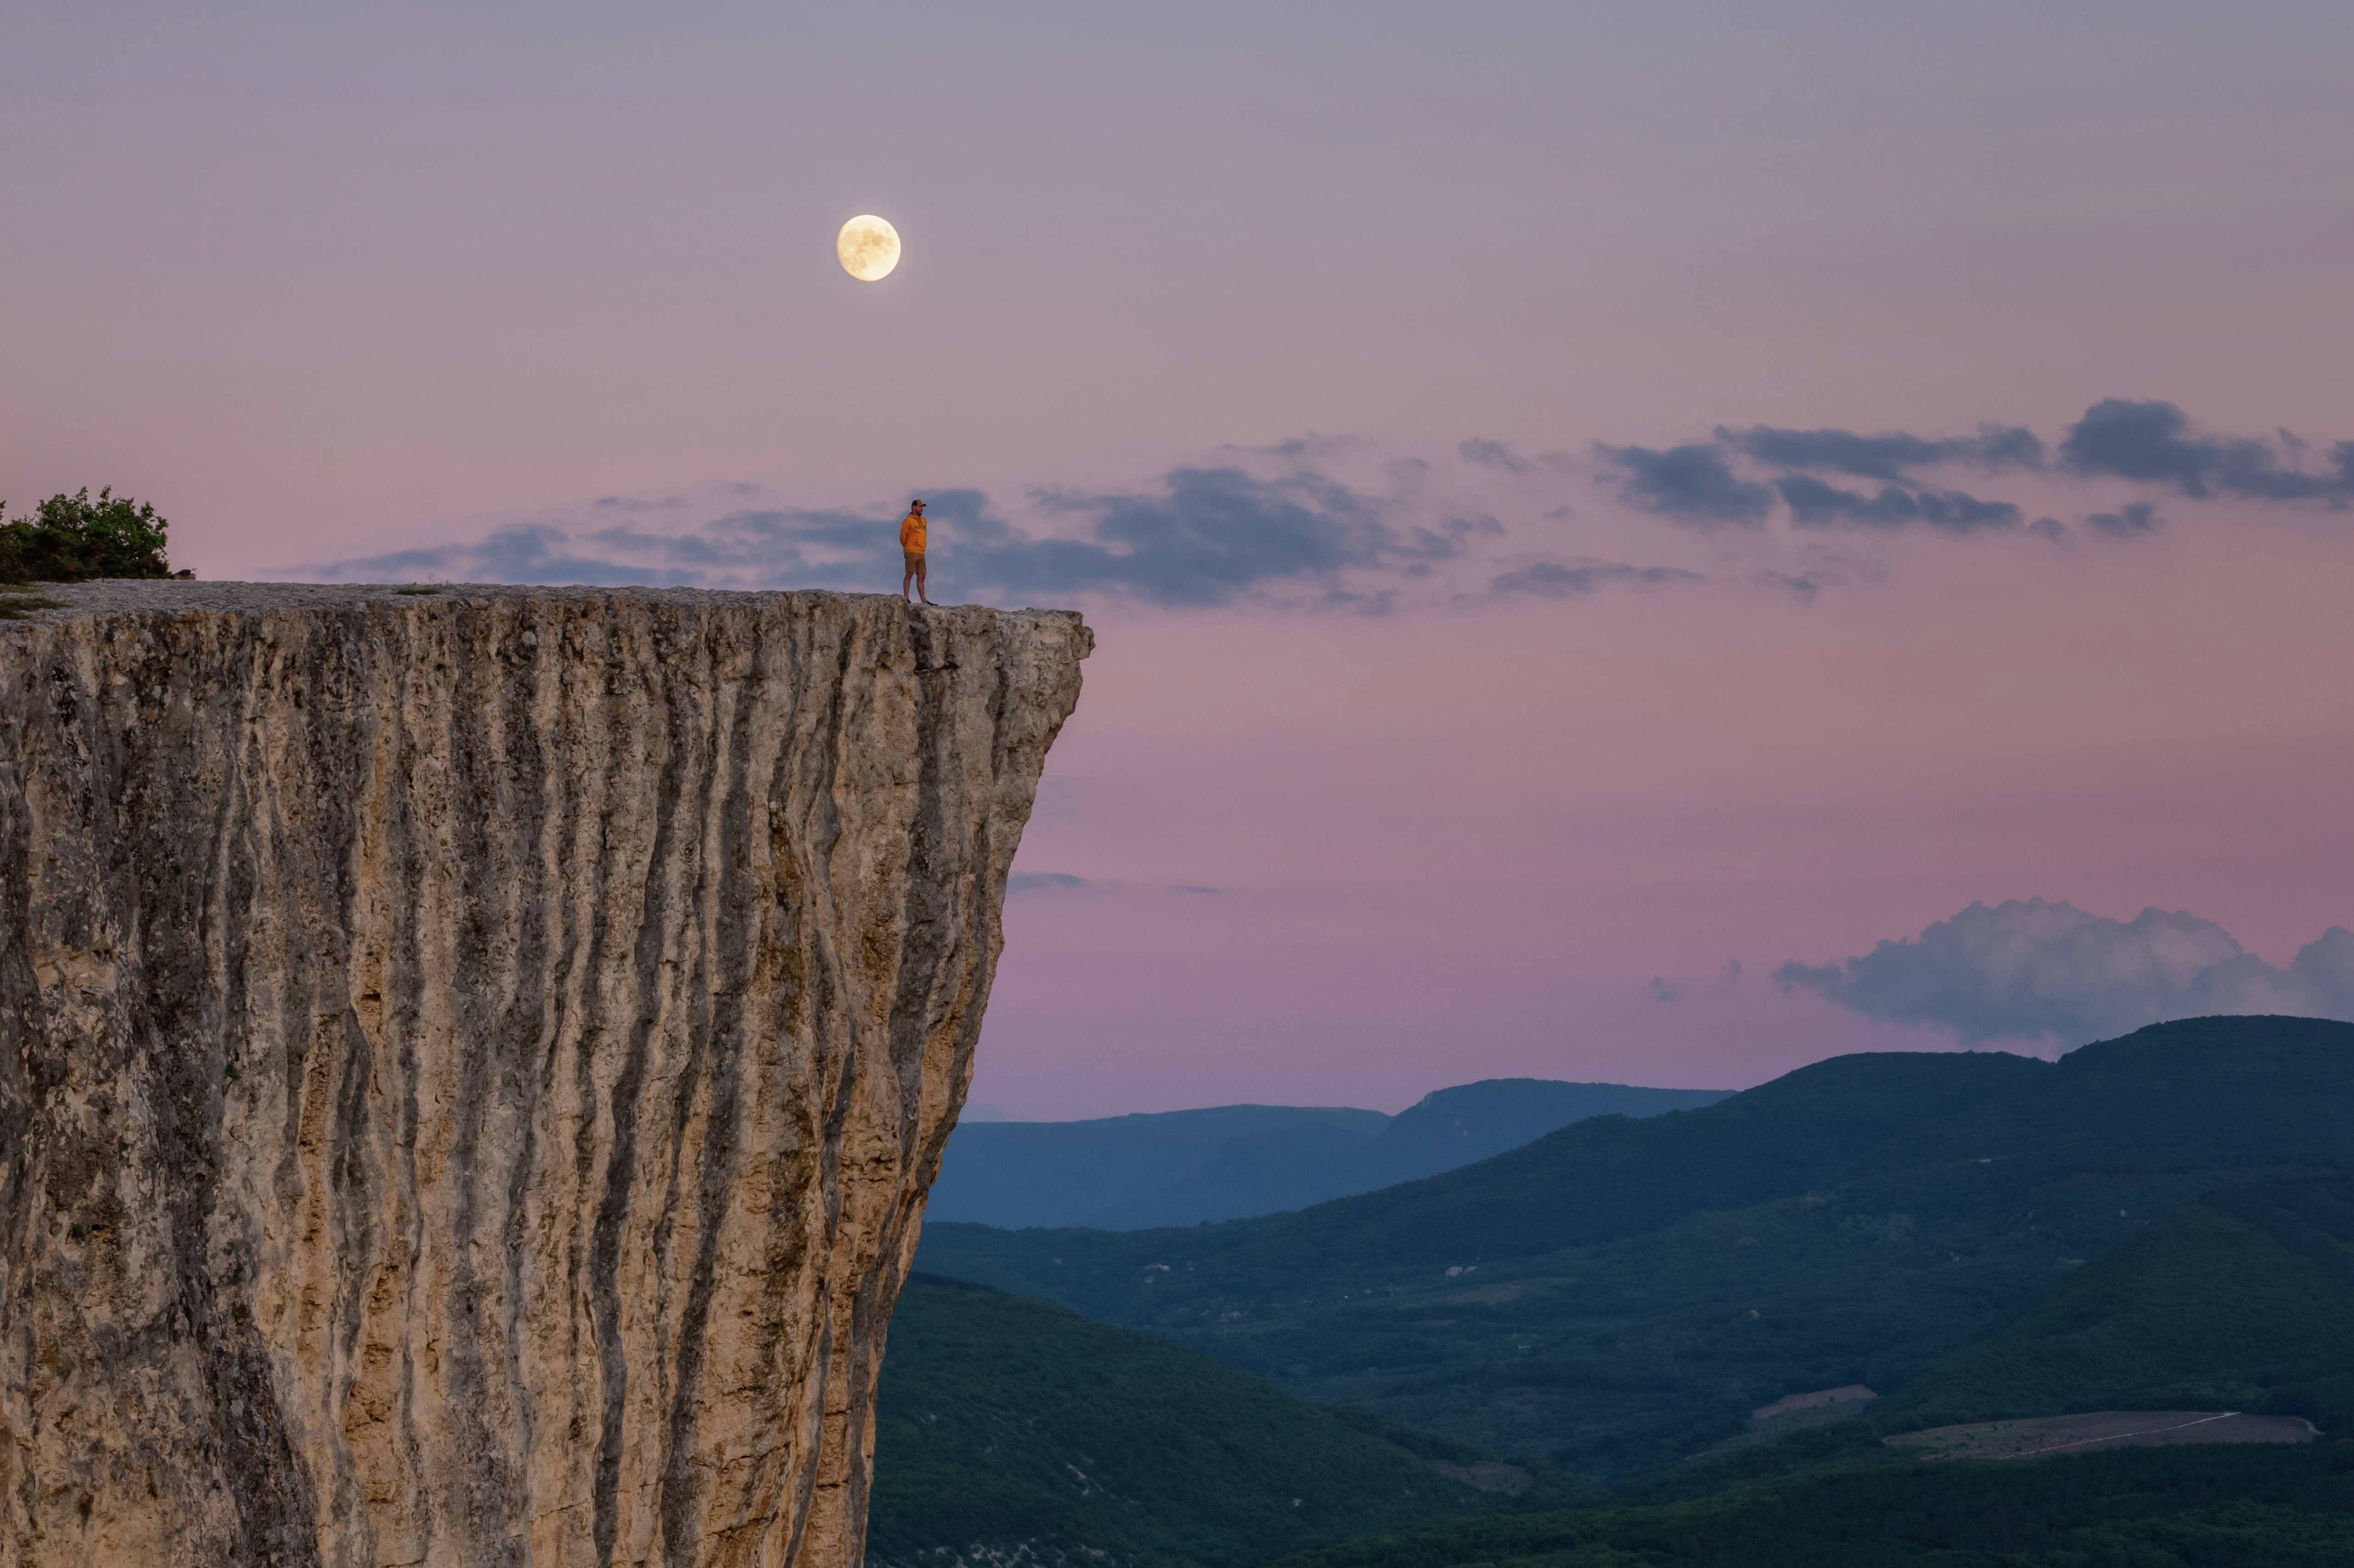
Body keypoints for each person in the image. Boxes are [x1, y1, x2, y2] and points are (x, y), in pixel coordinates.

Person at [899, 499, 931, 604]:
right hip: (911, 551)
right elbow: (903, 538)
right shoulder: (908, 521)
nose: (922, 509)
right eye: (920, 506)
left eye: (922, 507)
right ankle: (906, 598)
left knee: (922, 576)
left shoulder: (924, 521)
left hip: (921, 552)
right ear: (914, 508)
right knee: (910, 573)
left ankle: (924, 600)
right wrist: (908, 547)